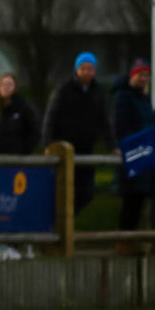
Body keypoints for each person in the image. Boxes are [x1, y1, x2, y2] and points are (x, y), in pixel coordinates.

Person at [43, 52, 112, 215]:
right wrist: (48, 143)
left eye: (90, 69)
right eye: (84, 68)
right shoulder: (64, 89)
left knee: (86, 192)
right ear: (77, 69)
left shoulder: (98, 91)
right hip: (65, 148)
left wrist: (112, 145)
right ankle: (60, 224)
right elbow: (50, 117)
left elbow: (105, 121)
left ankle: (68, 221)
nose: (87, 72)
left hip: (86, 148)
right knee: (62, 190)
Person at [113, 61, 155, 237]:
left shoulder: (144, 98)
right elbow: (120, 125)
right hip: (133, 151)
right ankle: (125, 238)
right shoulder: (123, 97)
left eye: (146, 75)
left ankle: (133, 238)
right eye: (141, 75)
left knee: (140, 199)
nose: (144, 78)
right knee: (131, 199)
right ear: (132, 75)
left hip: (145, 152)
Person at [0, 72, 41, 155]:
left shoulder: (24, 108)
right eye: (3, 84)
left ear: (15, 87)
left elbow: (34, 133)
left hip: (17, 157)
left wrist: (25, 152)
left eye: (9, 84)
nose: (6, 87)